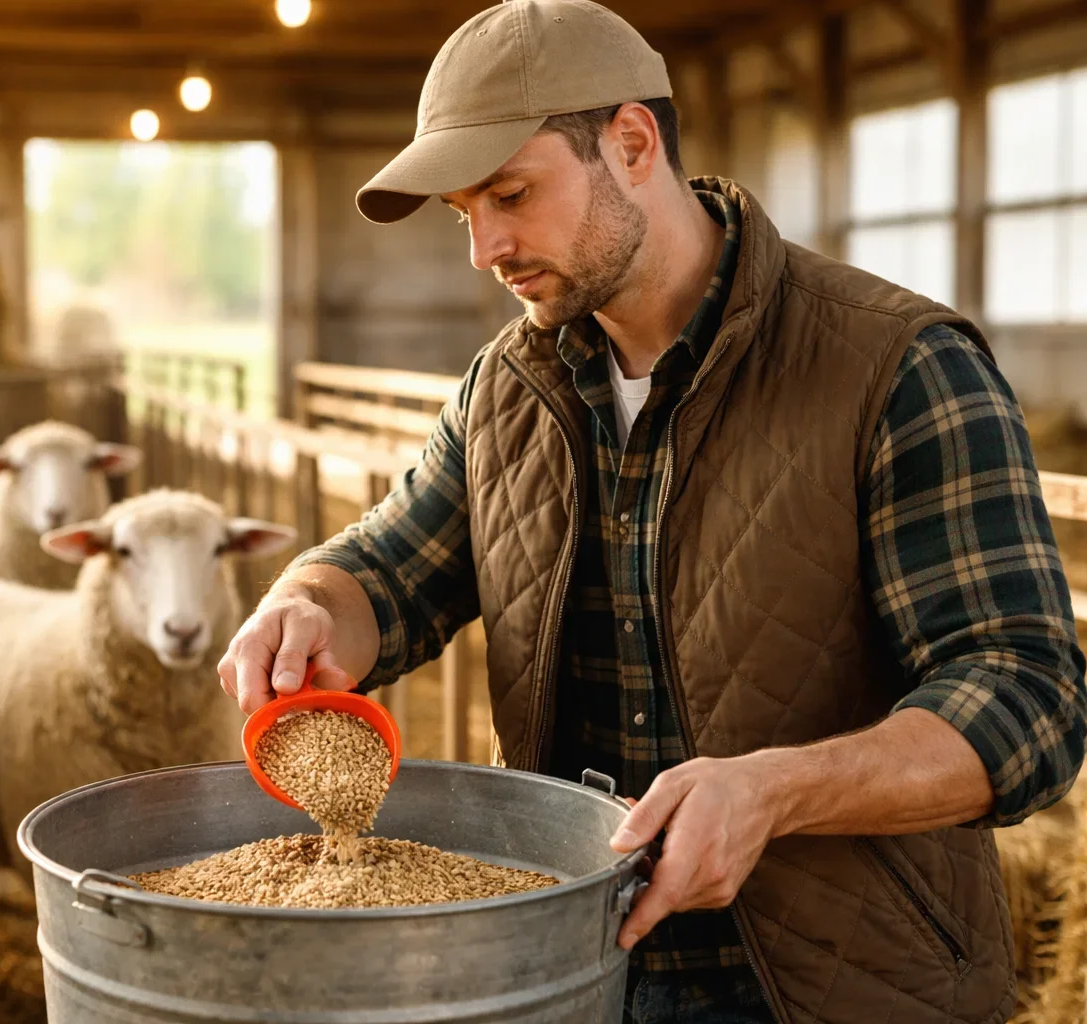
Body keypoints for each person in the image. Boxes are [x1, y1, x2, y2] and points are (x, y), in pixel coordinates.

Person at [216, 1, 1087, 1022]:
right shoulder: (511, 385)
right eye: (465, 212)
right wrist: (311, 599)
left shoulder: (893, 366)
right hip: (568, 959)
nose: (483, 247)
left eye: (510, 193)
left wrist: (771, 791)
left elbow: (1027, 696)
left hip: (832, 980)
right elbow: (392, 564)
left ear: (631, 144)